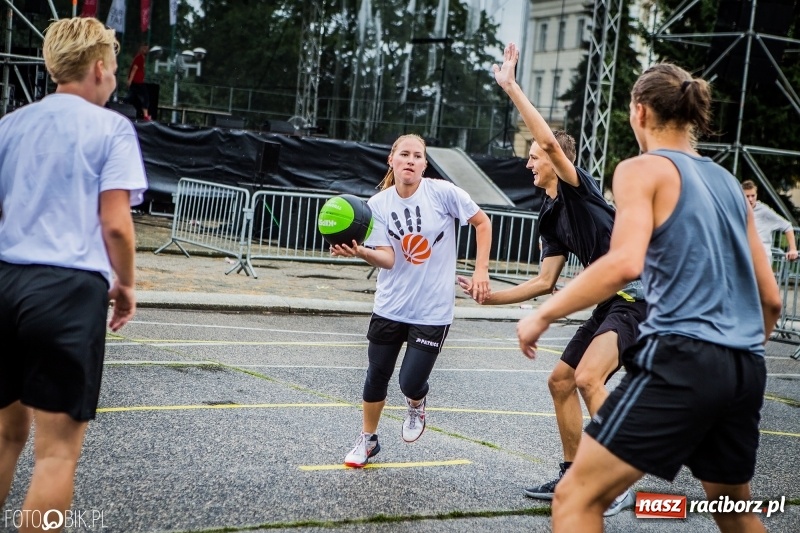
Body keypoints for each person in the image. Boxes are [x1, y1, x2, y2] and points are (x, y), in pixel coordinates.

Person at [517, 63, 782, 532]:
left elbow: (624, 263)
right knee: (736, 515)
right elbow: (772, 299)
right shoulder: (726, 182)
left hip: (685, 357)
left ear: (639, 112)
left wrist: (544, 313)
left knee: (575, 499)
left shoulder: (640, 170)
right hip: (745, 367)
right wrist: (739, 352)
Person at [458, 42, 645, 516]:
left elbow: (542, 137)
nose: (528, 164)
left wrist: (511, 86)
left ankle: (618, 475)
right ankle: (572, 474)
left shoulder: (578, 189)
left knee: (586, 377)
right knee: (561, 381)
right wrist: (490, 298)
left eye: (535, 158)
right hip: (612, 301)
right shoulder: (549, 215)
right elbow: (545, 283)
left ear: (555, 159)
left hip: (641, 298)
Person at [0, 17, 147, 529]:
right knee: (56, 454)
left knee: (5, 436)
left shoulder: (11, 124)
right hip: (67, 288)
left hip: (5, 281)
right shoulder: (111, 128)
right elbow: (117, 227)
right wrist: (125, 284)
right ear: (101, 68)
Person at [330, 133, 492, 468]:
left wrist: (481, 272)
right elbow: (388, 259)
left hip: (432, 310)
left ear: (424, 164)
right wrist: (360, 251)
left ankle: (416, 404)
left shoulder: (443, 193)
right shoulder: (378, 205)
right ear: (392, 159)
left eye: (418, 156)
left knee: (410, 381)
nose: (411, 161)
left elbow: (482, 222)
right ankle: (368, 440)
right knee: (377, 374)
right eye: (404, 154)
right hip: (391, 305)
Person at [741, 179, 798, 261]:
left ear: (756, 195)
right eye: (747, 196)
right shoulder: (737, 210)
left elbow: (787, 226)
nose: (750, 199)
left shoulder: (764, 211)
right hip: (744, 257)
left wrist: (793, 249)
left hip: (762, 258)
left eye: (753, 196)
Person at [124, 43, 151, 120]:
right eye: (145, 49)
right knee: (146, 97)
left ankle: (122, 103)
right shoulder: (139, 58)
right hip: (137, 82)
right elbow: (134, 69)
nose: (147, 51)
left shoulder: (141, 58)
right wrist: (130, 80)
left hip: (136, 82)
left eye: (147, 49)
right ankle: (145, 116)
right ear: (141, 48)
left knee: (131, 96)